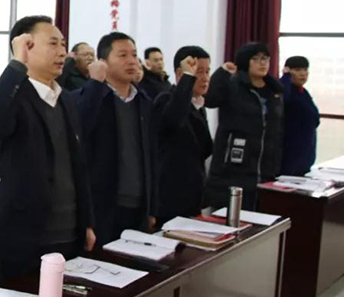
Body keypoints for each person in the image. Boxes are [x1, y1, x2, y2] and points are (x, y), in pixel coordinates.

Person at [0, 16, 95, 278]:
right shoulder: (13, 95)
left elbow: (78, 165)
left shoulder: (65, 99)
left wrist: (87, 221)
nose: (62, 52)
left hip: (70, 236)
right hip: (25, 239)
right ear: (26, 47)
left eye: (63, 44)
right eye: (53, 44)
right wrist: (16, 64)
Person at [71, 32, 158, 245]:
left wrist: (151, 207)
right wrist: (95, 84)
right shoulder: (88, 97)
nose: (132, 61)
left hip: (138, 206)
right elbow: (79, 131)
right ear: (103, 62)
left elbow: (152, 156)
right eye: (122, 55)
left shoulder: (144, 102)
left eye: (134, 55)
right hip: (102, 207)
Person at [204, 42, 284, 210]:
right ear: (245, 61)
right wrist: (221, 72)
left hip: (265, 172)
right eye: (256, 59)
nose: (262, 63)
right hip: (232, 170)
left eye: (265, 58)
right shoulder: (233, 85)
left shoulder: (274, 92)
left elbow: (277, 130)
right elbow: (210, 100)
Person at [154, 46, 214, 226]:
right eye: (199, 72)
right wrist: (187, 80)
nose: (205, 78)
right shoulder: (166, 99)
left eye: (207, 71)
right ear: (181, 74)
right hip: (171, 197)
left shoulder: (199, 105)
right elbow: (173, 120)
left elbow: (205, 148)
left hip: (193, 194)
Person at [279, 56, 320, 176]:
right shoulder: (285, 89)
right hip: (289, 154)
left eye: (305, 69)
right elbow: (283, 99)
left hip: (305, 154)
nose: (303, 74)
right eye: (297, 70)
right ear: (288, 71)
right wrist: (285, 77)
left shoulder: (303, 92)